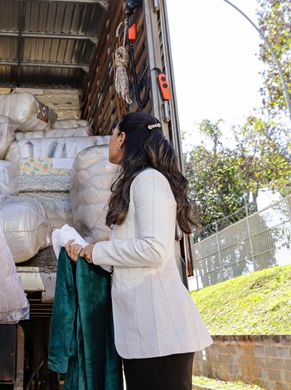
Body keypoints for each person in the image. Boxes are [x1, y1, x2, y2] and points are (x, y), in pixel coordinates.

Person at [65, 111, 212, 389]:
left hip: (162, 335)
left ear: (122, 138)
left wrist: (97, 251)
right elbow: (131, 253)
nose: (110, 140)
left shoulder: (149, 180)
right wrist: (87, 253)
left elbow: (154, 249)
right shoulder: (138, 182)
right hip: (146, 335)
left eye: (112, 134)